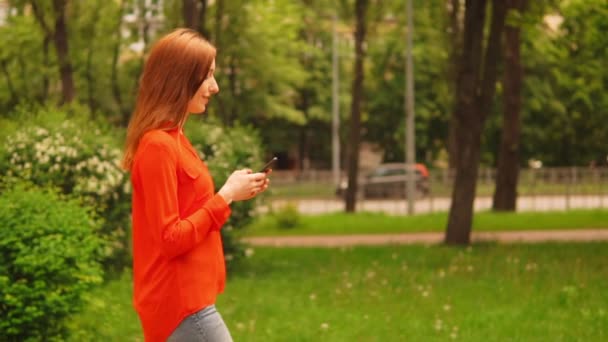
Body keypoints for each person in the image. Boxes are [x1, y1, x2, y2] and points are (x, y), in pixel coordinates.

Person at [121, 28, 269, 342]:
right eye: (208, 76)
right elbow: (170, 238)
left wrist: (233, 192)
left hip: (192, 301)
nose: (214, 87)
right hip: (180, 304)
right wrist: (225, 195)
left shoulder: (176, 139)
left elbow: (193, 212)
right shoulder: (157, 146)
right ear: (180, 79)